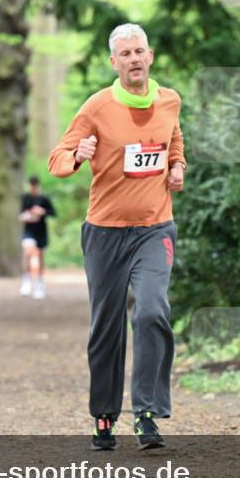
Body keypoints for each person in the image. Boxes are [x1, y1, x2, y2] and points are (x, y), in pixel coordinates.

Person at [48, 23, 186, 451]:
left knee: (150, 311)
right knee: (107, 326)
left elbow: (173, 140)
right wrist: (77, 155)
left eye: (139, 51)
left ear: (151, 55)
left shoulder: (169, 101)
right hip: (105, 233)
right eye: (125, 54)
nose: (134, 59)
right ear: (114, 62)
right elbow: (56, 159)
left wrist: (178, 166)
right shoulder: (97, 107)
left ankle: (146, 412)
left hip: (154, 228)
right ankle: (104, 415)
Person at [18, 175, 56, 300]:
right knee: (27, 252)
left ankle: (40, 283)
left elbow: (53, 213)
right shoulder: (26, 197)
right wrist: (26, 215)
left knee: (40, 256)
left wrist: (42, 211)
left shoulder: (44, 198)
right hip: (29, 230)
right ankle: (27, 280)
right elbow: (21, 213)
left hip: (41, 231)